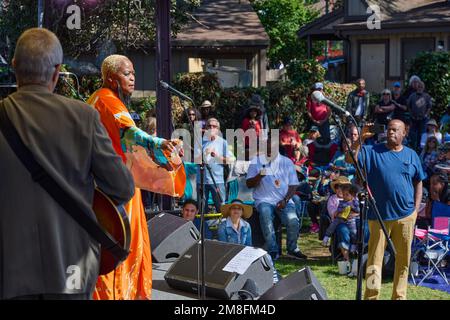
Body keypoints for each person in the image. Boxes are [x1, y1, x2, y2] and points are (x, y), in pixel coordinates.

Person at [0, 28, 134, 300]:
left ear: (14, 67)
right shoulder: (83, 117)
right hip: (72, 267)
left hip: (9, 271)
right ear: (57, 71)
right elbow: (122, 188)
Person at [87, 54, 176, 300]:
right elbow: (129, 133)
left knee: (116, 240)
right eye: (127, 74)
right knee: (124, 241)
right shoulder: (108, 100)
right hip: (115, 186)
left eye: (134, 73)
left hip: (106, 183)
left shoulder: (97, 99)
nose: (133, 78)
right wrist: (158, 142)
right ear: (111, 78)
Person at [348, 119, 426, 300]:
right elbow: (350, 157)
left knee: (403, 261)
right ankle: (371, 297)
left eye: (395, 130)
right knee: (374, 261)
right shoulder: (373, 150)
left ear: (404, 133)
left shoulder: (412, 155)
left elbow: (418, 182)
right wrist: (361, 138)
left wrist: (415, 210)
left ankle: (399, 296)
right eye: (389, 129)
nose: (391, 132)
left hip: (405, 216)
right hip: (378, 216)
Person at [246, 138, 307, 260]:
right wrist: (260, 175)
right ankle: (272, 248)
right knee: (265, 213)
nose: (268, 152)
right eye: (266, 149)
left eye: (271, 149)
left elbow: (293, 185)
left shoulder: (287, 162)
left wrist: (285, 200)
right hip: (263, 200)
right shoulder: (256, 162)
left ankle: (292, 248)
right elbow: (249, 184)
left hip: (284, 199)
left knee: (293, 221)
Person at [196, 118, 235, 213]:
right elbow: (196, 160)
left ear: (218, 129)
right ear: (205, 128)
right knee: (202, 211)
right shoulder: (199, 142)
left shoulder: (223, 142)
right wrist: (204, 154)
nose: (211, 128)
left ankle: (223, 227)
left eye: (214, 126)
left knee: (221, 209)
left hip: (217, 180)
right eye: (209, 126)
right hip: (201, 181)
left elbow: (231, 159)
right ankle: (203, 228)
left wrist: (217, 157)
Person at [322, 184, 360, 257]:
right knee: (338, 226)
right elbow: (335, 212)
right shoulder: (334, 199)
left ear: (352, 195)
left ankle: (355, 246)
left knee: (355, 231)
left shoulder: (355, 201)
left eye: (346, 194)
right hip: (340, 219)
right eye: (337, 188)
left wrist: (354, 213)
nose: (340, 191)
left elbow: (359, 210)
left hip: (351, 220)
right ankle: (327, 236)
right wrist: (340, 212)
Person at [408, 81, 432, 151]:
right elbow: (408, 106)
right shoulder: (412, 95)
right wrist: (411, 114)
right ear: (416, 87)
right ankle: (412, 149)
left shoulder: (427, 96)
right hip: (413, 119)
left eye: (421, 87)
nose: (420, 88)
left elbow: (429, 107)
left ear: (423, 88)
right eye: (419, 86)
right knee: (412, 135)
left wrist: (426, 114)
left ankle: (421, 149)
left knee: (422, 135)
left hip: (423, 119)